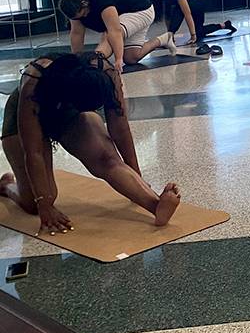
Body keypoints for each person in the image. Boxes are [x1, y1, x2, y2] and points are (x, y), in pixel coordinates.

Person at [0, 52, 181, 235]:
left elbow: (120, 129)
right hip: (23, 120)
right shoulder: (34, 80)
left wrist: (136, 177)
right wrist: (44, 205)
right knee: (36, 203)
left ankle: (155, 205)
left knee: (106, 159)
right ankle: (7, 186)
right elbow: (33, 151)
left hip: (69, 113)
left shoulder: (107, 74)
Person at [59, 0, 176, 74]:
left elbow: (114, 31)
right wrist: (77, 59)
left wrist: (118, 59)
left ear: (84, 4)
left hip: (141, 11)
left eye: (84, 13)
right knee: (131, 58)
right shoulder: (73, 6)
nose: (85, 17)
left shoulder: (101, 0)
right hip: (124, 16)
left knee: (108, 36)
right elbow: (77, 34)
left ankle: (95, 60)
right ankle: (164, 39)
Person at [147, 0, 236, 45]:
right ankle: (224, 25)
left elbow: (187, 13)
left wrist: (192, 36)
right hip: (191, 2)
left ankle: (171, 34)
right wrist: (171, 35)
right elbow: (167, 15)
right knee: (199, 32)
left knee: (179, 9)